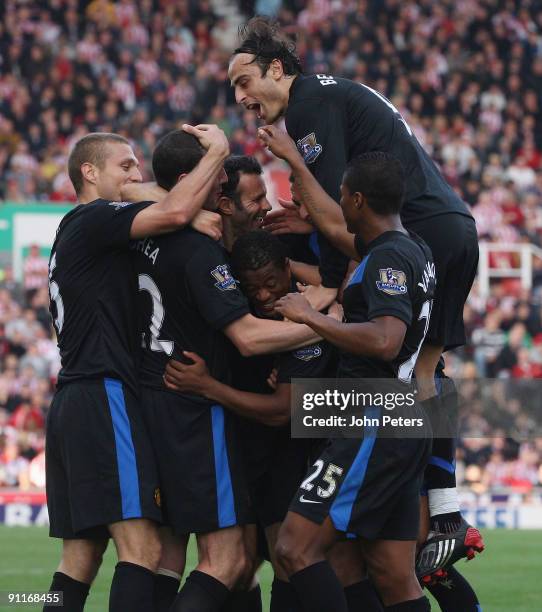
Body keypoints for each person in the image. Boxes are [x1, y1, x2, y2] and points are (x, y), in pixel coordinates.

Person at [229, 16, 483, 584]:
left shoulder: (308, 109)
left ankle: (434, 510)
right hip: (449, 228)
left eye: (245, 81)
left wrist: (297, 170)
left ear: (277, 68)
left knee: (401, 382)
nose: (242, 98)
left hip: (422, 234)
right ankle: (443, 513)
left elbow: (343, 215)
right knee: (422, 378)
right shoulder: (332, 93)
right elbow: (338, 224)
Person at [131, 130, 327, 612]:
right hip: (216, 417)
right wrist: (325, 324)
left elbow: (332, 283)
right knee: (233, 562)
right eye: (252, 197)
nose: (266, 207)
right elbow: (248, 337)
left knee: (258, 559)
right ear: (220, 200)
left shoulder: (263, 247)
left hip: (262, 426)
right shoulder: (204, 251)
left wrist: (322, 309)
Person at [44, 126, 229, 612]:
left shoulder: (81, 227)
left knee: (78, 561)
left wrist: (156, 197)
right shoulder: (96, 219)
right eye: (125, 165)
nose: (135, 174)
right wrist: (219, 152)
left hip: (72, 402)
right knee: (143, 551)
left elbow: (150, 198)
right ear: (89, 172)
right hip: (105, 395)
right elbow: (173, 209)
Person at [268, 151, 434, 612]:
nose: (337, 202)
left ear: (358, 199)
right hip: (404, 418)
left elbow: (385, 339)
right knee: (390, 573)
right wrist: (311, 227)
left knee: (294, 548)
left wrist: (309, 317)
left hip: (373, 418)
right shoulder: (412, 248)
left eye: (340, 194)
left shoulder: (388, 259)